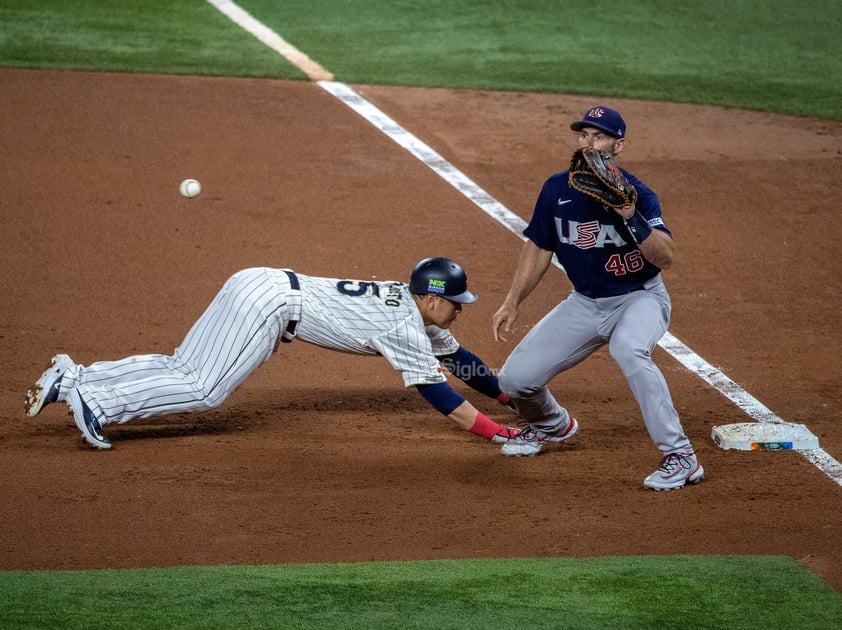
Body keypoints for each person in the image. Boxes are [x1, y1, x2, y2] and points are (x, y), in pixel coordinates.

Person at [25, 257, 522, 450]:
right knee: (203, 387)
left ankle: (75, 380)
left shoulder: (410, 305)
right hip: (271, 306)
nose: (461, 311)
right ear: (433, 299)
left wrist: (509, 397)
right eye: (457, 304)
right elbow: (439, 394)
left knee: (184, 364)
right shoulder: (404, 325)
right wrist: (499, 432)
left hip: (257, 280)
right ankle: (101, 405)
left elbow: (460, 362)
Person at [491, 106, 704, 491]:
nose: (590, 145)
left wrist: (630, 214)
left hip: (639, 298)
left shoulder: (639, 195)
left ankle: (681, 456)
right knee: (514, 380)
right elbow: (539, 247)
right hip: (585, 303)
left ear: (618, 146)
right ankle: (551, 425)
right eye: (584, 136)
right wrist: (512, 301)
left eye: (600, 137)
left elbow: (666, 257)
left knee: (629, 349)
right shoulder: (557, 190)